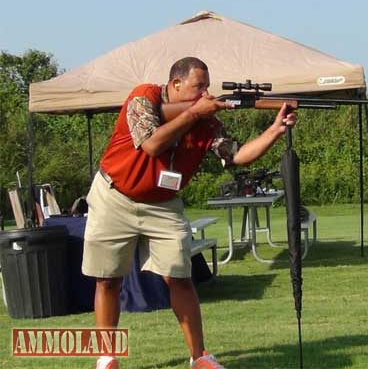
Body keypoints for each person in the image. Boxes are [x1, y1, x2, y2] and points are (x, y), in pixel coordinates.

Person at [82, 57, 297, 369]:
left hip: (164, 204)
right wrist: (195, 112)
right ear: (176, 83)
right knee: (108, 280)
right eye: (199, 86)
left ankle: (200, 357)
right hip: (115, 195)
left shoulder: (207, 122)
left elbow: (236, 157)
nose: (205, 93)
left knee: (181, 278)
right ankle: (106, 358)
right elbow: (153, 144)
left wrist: (275, 130)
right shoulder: (144, 97)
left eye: (207, 87)